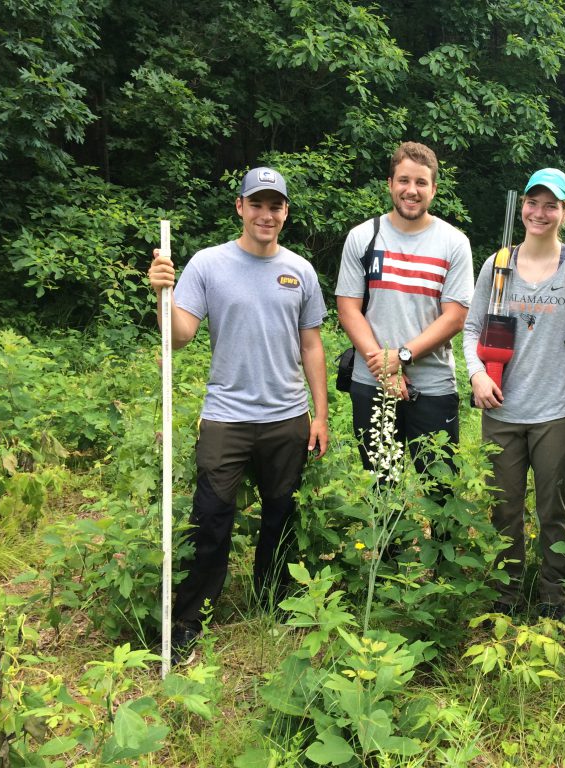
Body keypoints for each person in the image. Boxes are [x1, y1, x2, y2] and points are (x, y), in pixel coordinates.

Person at [147, 166, 329, 662]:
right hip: (226, 415)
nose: (266, 214)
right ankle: (191, 618)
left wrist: (320, 414)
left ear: (285, 212)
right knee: (210, 517)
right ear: (240, 207)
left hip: (287, 415)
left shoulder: (301, 271)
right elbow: (180, 335)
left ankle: (271, 599)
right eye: (257, 204)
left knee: (280, 513)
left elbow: (312, 345)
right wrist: (161, 293)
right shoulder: (208, 265)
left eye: (276, 206)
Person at [463, 168, 565, 620]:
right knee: (502, 507)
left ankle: (554, 598)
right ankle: (505, 592)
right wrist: (477, 376)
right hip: (501, 409)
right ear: (522, 205)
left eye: (551, 204)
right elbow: (470, 328)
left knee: (553, 510)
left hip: (557, 413)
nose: (540, 212)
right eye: (533, 202)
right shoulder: (497, 264)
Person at [335, 141, 473, 477]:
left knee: (439, 486)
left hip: (434, 386)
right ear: (390, 184)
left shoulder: (454, 243)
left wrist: (403, 357)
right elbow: (348, 308)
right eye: (404, 181)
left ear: (434, 189)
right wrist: (385, 366)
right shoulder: (363, 237)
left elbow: (455, 317)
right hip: (371, 383)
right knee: (382, 483)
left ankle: (438, 535)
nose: (411, 191)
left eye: (421, 183)